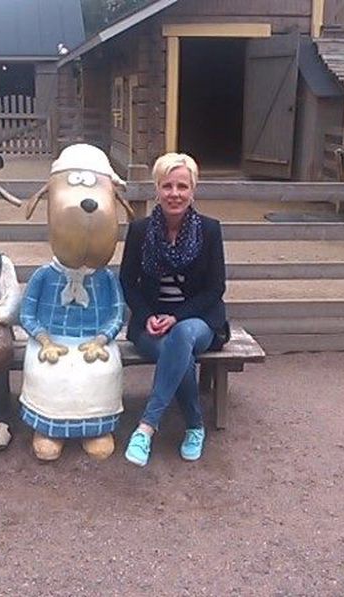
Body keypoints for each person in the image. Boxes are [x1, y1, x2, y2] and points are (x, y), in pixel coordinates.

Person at [119, 152, 230, 466]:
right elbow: (127, 281)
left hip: (198, 320)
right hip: (151, 323)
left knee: (181, 334)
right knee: (177, 351)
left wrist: (176, 316)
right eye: (167, 186)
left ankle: (147, 426)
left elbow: (215, 288)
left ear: (193, 190)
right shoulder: (140, 231)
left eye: (182, 186)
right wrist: (146, 316)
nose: (175, 193)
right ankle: (195, 425)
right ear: (157, 189)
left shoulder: (209, 230)